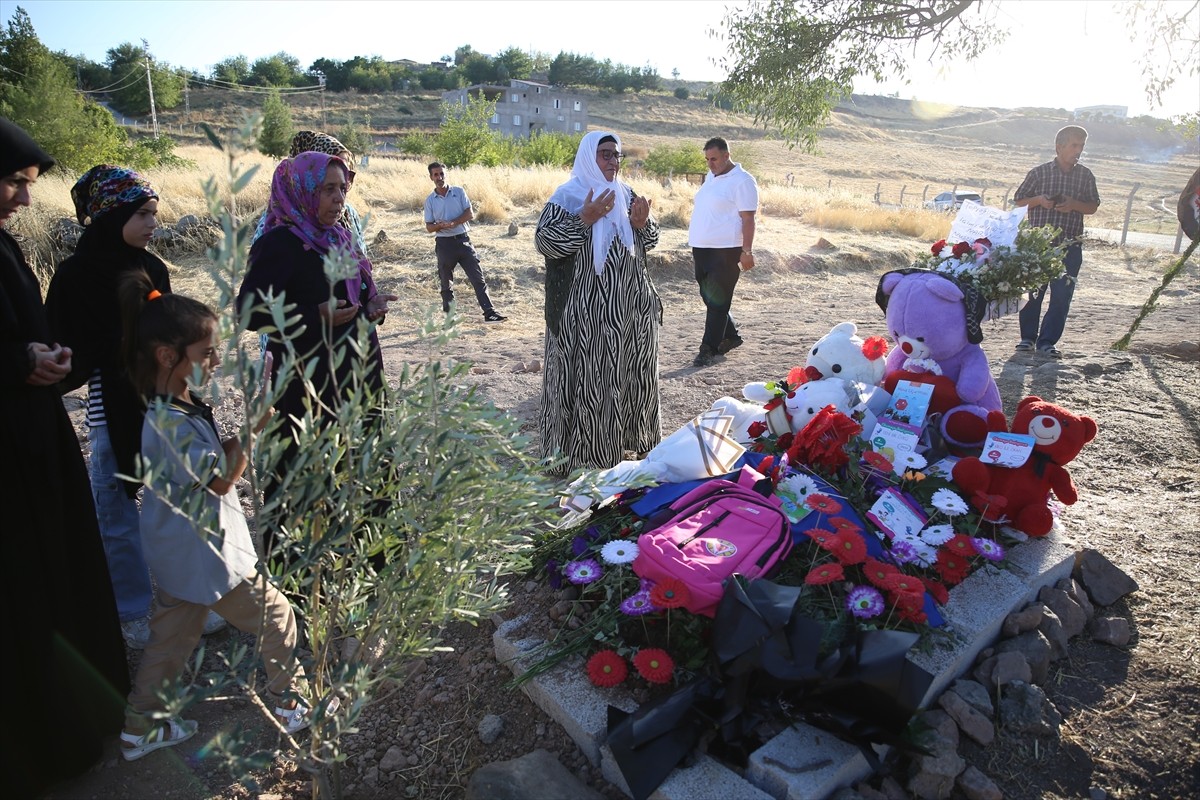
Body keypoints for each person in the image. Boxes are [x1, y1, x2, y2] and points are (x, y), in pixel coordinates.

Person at [116, 273, 319, 761]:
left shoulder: (173, 407)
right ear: (169, 357)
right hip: (207, 556)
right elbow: (221, 480)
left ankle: (139, 727)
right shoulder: (170, 424)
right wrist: (256, 426)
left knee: (170, 642)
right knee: (276, 615)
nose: (216, 360)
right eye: (206, 353)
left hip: (177, 553)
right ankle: (292, 702)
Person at [0, 117, 130, 796]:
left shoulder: (4, 245)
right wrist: (19, 360)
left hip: (33, 436)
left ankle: (75, 719)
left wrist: (40, 355)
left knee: (57, 571)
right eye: (15, 182)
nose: (25, 198)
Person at [45, 164, 225, 649]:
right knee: (118, 503)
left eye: (154, 214)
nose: (153, 224)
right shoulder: (76, 275)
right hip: (110, 402)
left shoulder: (154, 268)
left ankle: (189, 597)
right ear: (111, 215)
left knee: (180, 499)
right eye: (142, 214)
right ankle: (129, 610)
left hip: (162, 399)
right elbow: (64, 344)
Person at [237, 151, 396, 558]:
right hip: (305, 382)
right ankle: (299, 572)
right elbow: (250, 311)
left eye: (342, 188)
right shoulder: (280, 244)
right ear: (302, 190)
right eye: (327, 189)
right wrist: (313, 316)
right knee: (303, 471)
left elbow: (353, 295)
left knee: (366, 461)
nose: (338, 198)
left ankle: (372, 557)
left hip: (357, 372)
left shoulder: (339, 238)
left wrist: (371, 302)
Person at [535, 131, 660, 476]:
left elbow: (650, 239)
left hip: (630, 310)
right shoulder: (568, 195)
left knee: (627, 375)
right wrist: (583, 220)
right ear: (590, 156)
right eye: (605, 154)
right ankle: (580, 457)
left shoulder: (628, 195)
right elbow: (545, 242)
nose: (613, 162)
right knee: (589, 379)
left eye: (617, 155)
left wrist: (642, 223)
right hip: (583, 314)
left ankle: (625, 444)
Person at [1013, 125, 1101, 358]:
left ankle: (1047, 342)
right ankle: (1027, 338)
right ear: (1059, 147)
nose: (1078, 150)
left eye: (1081, 145)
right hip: (1038, 246)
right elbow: (1019, 201)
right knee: (1033, 293)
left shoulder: (1085, 175)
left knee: (1062, 295)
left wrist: (1073, 204)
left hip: (1070, 245)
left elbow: (1092, 206)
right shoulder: (1039, 173)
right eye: (1074, 145)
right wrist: (1040, 200)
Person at [687, 137, 759, 367]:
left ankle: (708, 349)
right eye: (707, 159)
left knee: (718, 300)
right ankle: (731, 336)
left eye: (714, 159)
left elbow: (748, 219)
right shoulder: (711, 177)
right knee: (710, 297)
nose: (710, 164)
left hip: (726, 250)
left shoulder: (743, 181)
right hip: (701, 248)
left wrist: (746, 251)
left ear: (727, 156)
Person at [254, 130, 368, 257]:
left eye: (347, 174)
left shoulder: (348, 215)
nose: (340, 196)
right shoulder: (276, 231)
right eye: (329, 186)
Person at [424, 161, 507, 322]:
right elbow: (429, 226)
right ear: (431, 177)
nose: (439, 177)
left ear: (445, 174)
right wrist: (439, 225)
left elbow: (469, 214)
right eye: (436, 174)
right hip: (444, 244)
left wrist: (454, 223)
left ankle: (489, 312)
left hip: (463, 241)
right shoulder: (430, 201)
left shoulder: (459, 192)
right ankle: (450, 318)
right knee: (446, 282)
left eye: (441, 173)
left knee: (478, 278)